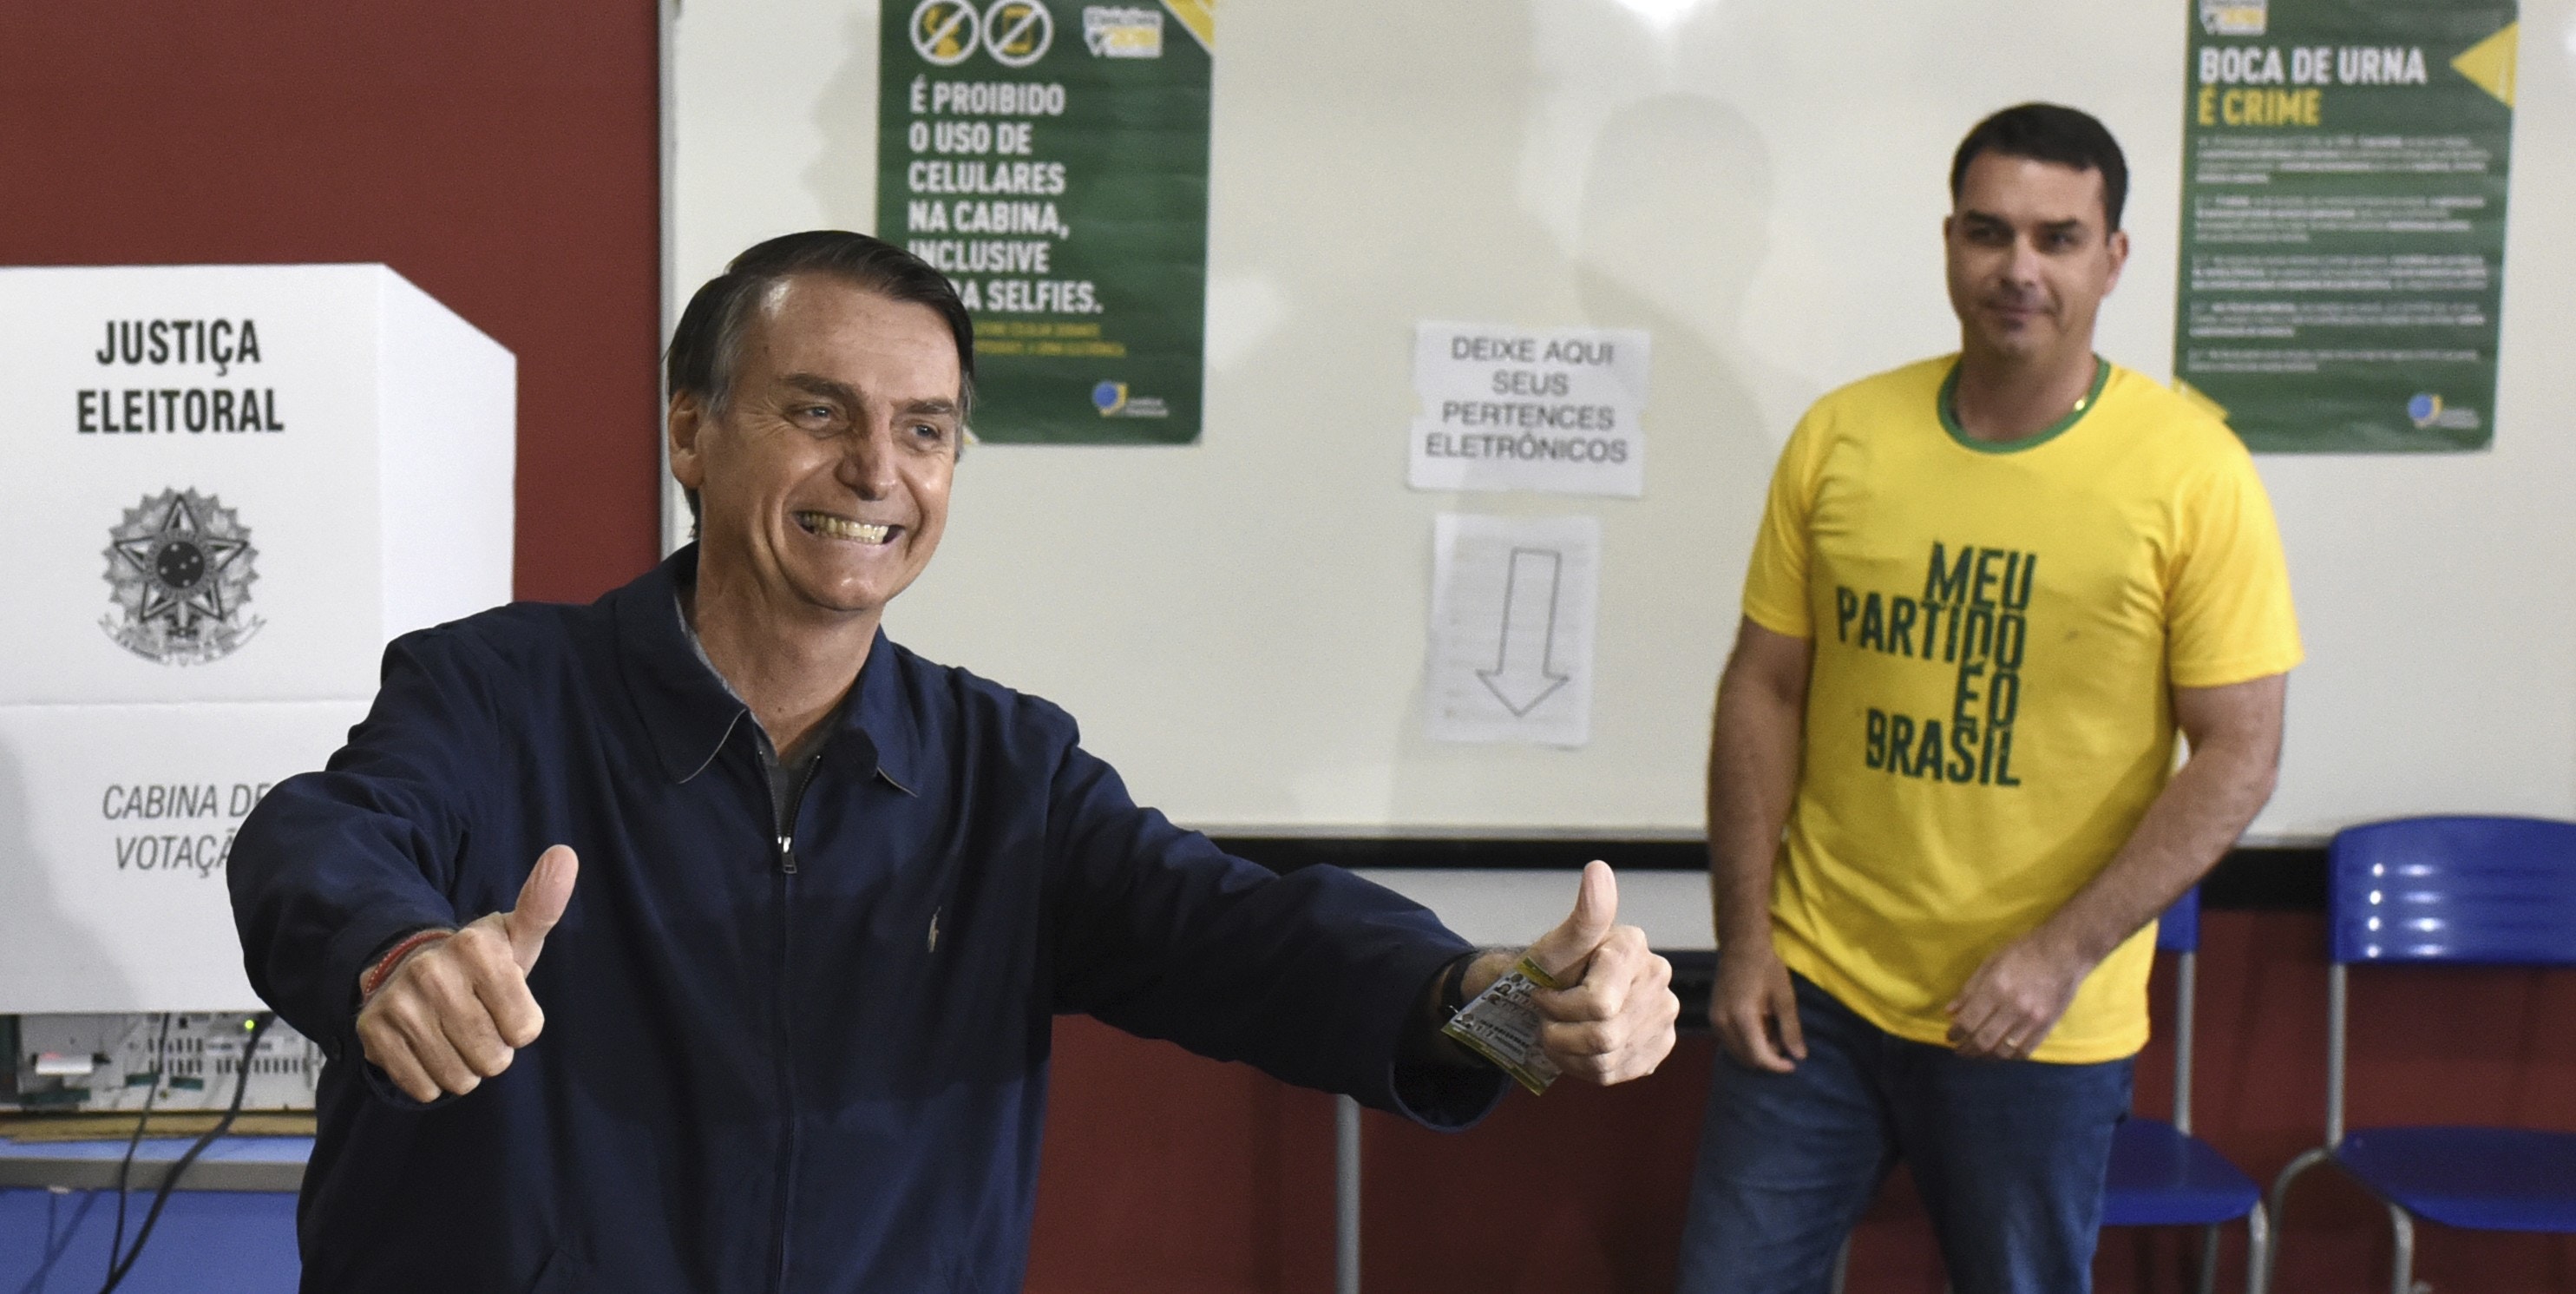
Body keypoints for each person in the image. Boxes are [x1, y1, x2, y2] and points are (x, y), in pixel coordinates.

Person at [227, 231, 1679, 1292]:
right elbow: (316, 840)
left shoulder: (1004, 769)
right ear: (690, 433)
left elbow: (1243, 939)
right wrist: (393, 956)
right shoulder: (496, 692)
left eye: (922, 431)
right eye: (817, 412)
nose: (876, 470)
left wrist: (1496, 1006)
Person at [1678, 104, 2301, 1293]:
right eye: (1988, 232)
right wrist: (1746, 938)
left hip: (2035, 1022)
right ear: (1949, 243)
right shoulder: (1842, 437)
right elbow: (1763, 686)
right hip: (1815, 995)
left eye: (2058, 238)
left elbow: (2240, 753)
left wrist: (2059, 955)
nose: (2019, 268)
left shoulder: (2193, 474)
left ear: (2112, 258)